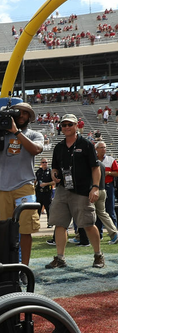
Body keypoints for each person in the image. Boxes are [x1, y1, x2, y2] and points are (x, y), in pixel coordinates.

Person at [0, 101, 43, 269]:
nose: (21, 115)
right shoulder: (2, 135)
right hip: (3, 187)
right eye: (18, 112)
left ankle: (24, 267)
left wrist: (16, 132)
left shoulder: (34, 134)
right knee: (5, 231)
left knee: (25, 230)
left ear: (30, 117)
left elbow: (35, 150)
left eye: (25, 113)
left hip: (24, 186)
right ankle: (8, 266)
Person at [45, 114, 105, 269]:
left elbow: (95, 168)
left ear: (77, 125)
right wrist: (54, 173)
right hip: (63, 189)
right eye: (63, 125)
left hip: (83, 190)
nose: (66, 127)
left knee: (88, 224)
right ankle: (60, 258)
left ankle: (98, 255)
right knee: (60, 223)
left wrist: (95, 187)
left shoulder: (86, 144)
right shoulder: (58, 147)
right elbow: (55, 167)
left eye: (69, 124)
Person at [94, 141, 118, 244]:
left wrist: (108, 173)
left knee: (110, 210)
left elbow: (117, 173)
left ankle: (114, 232)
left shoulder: (111, 160)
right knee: (99, 212)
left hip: (108, 186)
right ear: (97, 149)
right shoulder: (93, 159)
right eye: (101, 147)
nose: (104, 149)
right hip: (97, 187)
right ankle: (99, 234)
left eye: (104, 147)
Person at [35, 158, 55, 226]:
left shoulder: (50, 171)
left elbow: (54, 182)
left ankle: (50, 223)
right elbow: (35, 180)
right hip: (39, 192)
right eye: (43, 162)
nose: (44, 164)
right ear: (41, 163)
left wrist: (46, 184)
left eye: (45, 162)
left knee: (48, 208)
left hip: (47, 192)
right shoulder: (38, 171)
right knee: (38, 208)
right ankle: (36, 223)